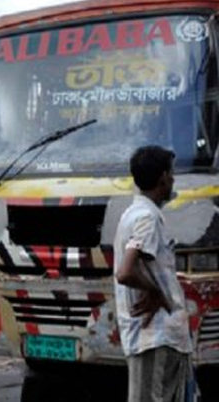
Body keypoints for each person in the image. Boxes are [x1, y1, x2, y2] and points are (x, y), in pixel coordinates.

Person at [114, 146, 196, 402]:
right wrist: (157, 292)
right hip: (155, 337)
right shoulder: (147, 218)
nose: (173, 179)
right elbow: (125, 272)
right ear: (162, 177)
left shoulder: (134, 213)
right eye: (171, 174)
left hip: (159, 337)